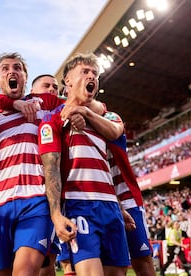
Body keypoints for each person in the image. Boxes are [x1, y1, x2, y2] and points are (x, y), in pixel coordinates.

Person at [0, 53, 87, 276]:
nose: (12, 72)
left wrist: (80, 113)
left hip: (36, 202)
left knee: (26, 271)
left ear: (25, 77)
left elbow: (76, 102)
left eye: (17, 68)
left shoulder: (44, 104)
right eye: (5, 69)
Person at [38, 52, 130, 276]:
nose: (92, 77)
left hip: (110, 206)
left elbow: (104, 168)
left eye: (95, 74)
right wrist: (56, 215)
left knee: (118, 272)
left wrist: (119, 206)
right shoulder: (53, 120)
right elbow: (50, 169)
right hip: (81, 205)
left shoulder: (101, 120)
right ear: (68, 80)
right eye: (85, 72)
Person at [108, 134, 156, 276]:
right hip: (101, 200)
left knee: (143, 263)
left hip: (127, 199)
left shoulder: (109, 117)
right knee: (113, 267)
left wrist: (87, 113)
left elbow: (114, 130)